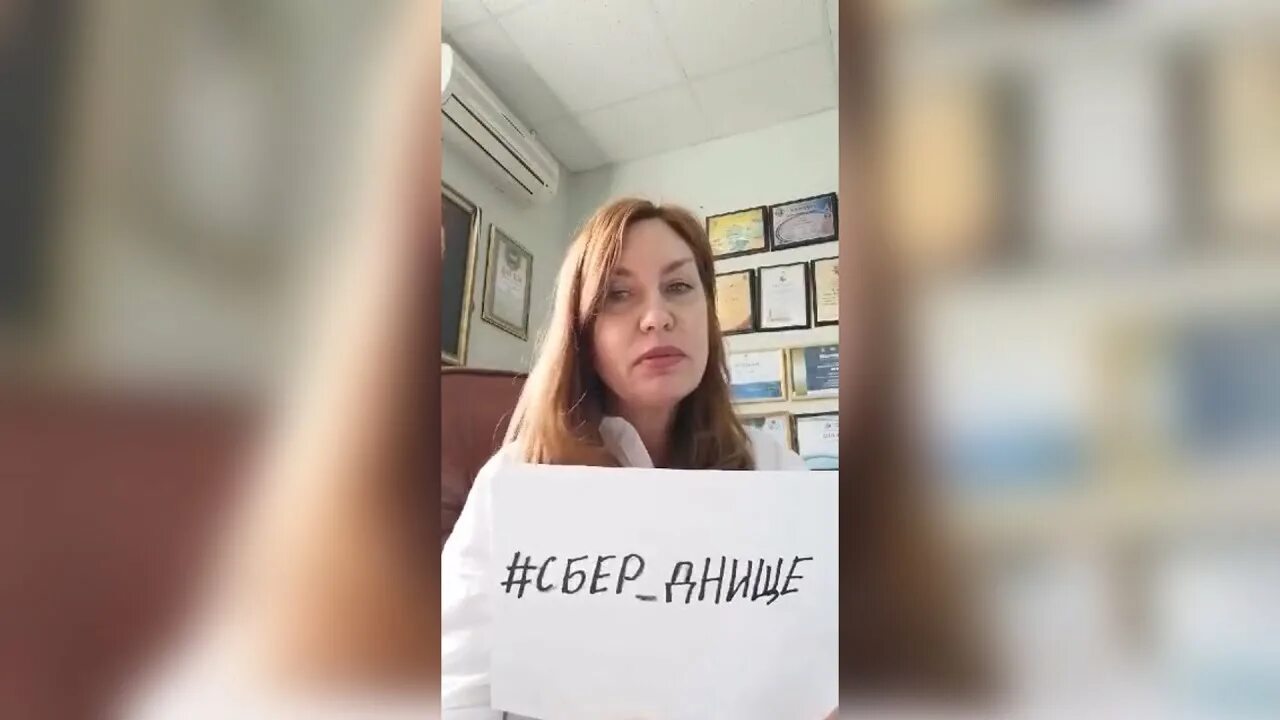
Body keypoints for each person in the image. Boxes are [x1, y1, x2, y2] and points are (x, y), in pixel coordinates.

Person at [441, 197, 811, 718]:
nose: (657, 317)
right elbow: (458, 689)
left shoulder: (775, 471)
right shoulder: (515, 479)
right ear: (583, 333)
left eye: (679, 287)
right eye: (618, 294)